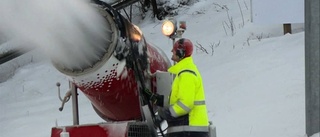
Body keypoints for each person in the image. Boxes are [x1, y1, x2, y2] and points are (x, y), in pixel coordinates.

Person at [155, 38, 210, 137]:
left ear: (181, 53)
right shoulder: (183, 72)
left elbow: (185, 104)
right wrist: (159, 101)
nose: (172, 51)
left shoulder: (187, 73)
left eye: (175, 49)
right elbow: (178, 99)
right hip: (188, 129)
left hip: (189, 129)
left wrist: (167, 114)